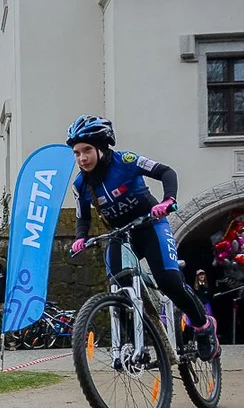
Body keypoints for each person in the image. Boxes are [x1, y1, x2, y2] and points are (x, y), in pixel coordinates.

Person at [66, 114, 219, 362]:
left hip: (150, 224)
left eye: (86, 150)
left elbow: (166, 172)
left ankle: (203, 327)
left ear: (101, 147)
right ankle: (133, 345)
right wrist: (80, 237)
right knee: (118, 284)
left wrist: (168, 200)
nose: (81, 158)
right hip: (120, 233)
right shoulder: (81, 184)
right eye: (76, 153)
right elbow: (83, 218)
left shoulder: (126, 161)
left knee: (168, 280)